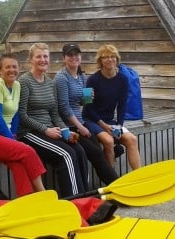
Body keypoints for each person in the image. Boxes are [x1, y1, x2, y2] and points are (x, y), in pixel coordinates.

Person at [17, 43, 89, 198]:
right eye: (38, 56)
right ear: (31, 60)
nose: (43, 60)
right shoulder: (24, 82)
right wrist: (46, 130)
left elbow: (55, 114)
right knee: (66, 155)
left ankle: (86, 196)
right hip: (29, 132)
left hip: (51, 129)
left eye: (45, 56)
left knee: (79, 150)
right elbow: (22, 116)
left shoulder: (51, 83)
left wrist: (66, 131)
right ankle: (74, 201)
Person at [0, 53, 46, 197]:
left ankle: (26, 200)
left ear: (19, 69)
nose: (11, 70)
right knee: (28, 151)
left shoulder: (17, 86)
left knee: (19, 164)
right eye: (7, 67)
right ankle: (43, 193)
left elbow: (15, 115)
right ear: (0, 70)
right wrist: (11, 139)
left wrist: (12, 135)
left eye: (14, 67)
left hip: (2, 137)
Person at [54, 43, 119, 185]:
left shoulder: (82, 76)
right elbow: (63, 107)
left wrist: (88, 98)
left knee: (98, 152)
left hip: (80, 122)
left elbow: (84, 103)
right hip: (68, 126)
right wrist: (80, 126)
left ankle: (114, 184)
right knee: (95, 154)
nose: (74, 57)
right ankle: (116, 184)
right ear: (64, 58)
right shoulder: (61, 78)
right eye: (70, 55)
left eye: (76, 54)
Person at [82, 44, 141, 170]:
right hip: (91, 119)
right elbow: (87, 108)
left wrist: (119, 125)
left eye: (113, 56)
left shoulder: (123, 79)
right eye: (105, 57)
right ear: (100, 61)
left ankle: (139, 176)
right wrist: (104, 126)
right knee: (108, 141)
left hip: (109, 120)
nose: (110, 59)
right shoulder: (91, 80)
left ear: (117, 59)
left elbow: (122, 105)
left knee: (132, 139)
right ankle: (112, 179)